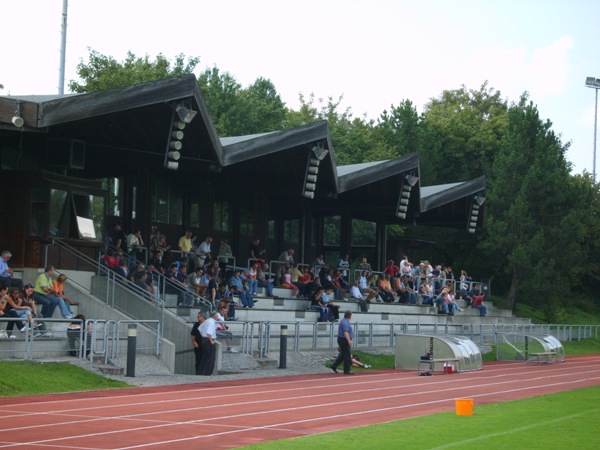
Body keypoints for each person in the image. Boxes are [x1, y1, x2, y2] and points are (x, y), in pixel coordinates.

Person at [331, 310, 354, 375]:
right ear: (350, 316)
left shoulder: (344, 321)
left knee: (343, 355)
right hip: (344, 340)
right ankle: (346, 370)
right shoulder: (345, 322)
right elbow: (345, 332)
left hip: (342, 339)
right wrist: (349, 340)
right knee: (347, 355)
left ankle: (334, 365)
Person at [197, 310, 219, 376]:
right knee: (211, 357)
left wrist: (203, 336)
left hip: (204, 340)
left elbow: (199, 328)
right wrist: (211, 340)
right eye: (217, 316)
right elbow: (209, 333)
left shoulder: (207, 321)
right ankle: (208, 373)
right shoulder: (211, 322)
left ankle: (200, 372)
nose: (218, 317)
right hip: (208, 340)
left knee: (204, 357)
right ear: (215, 316)